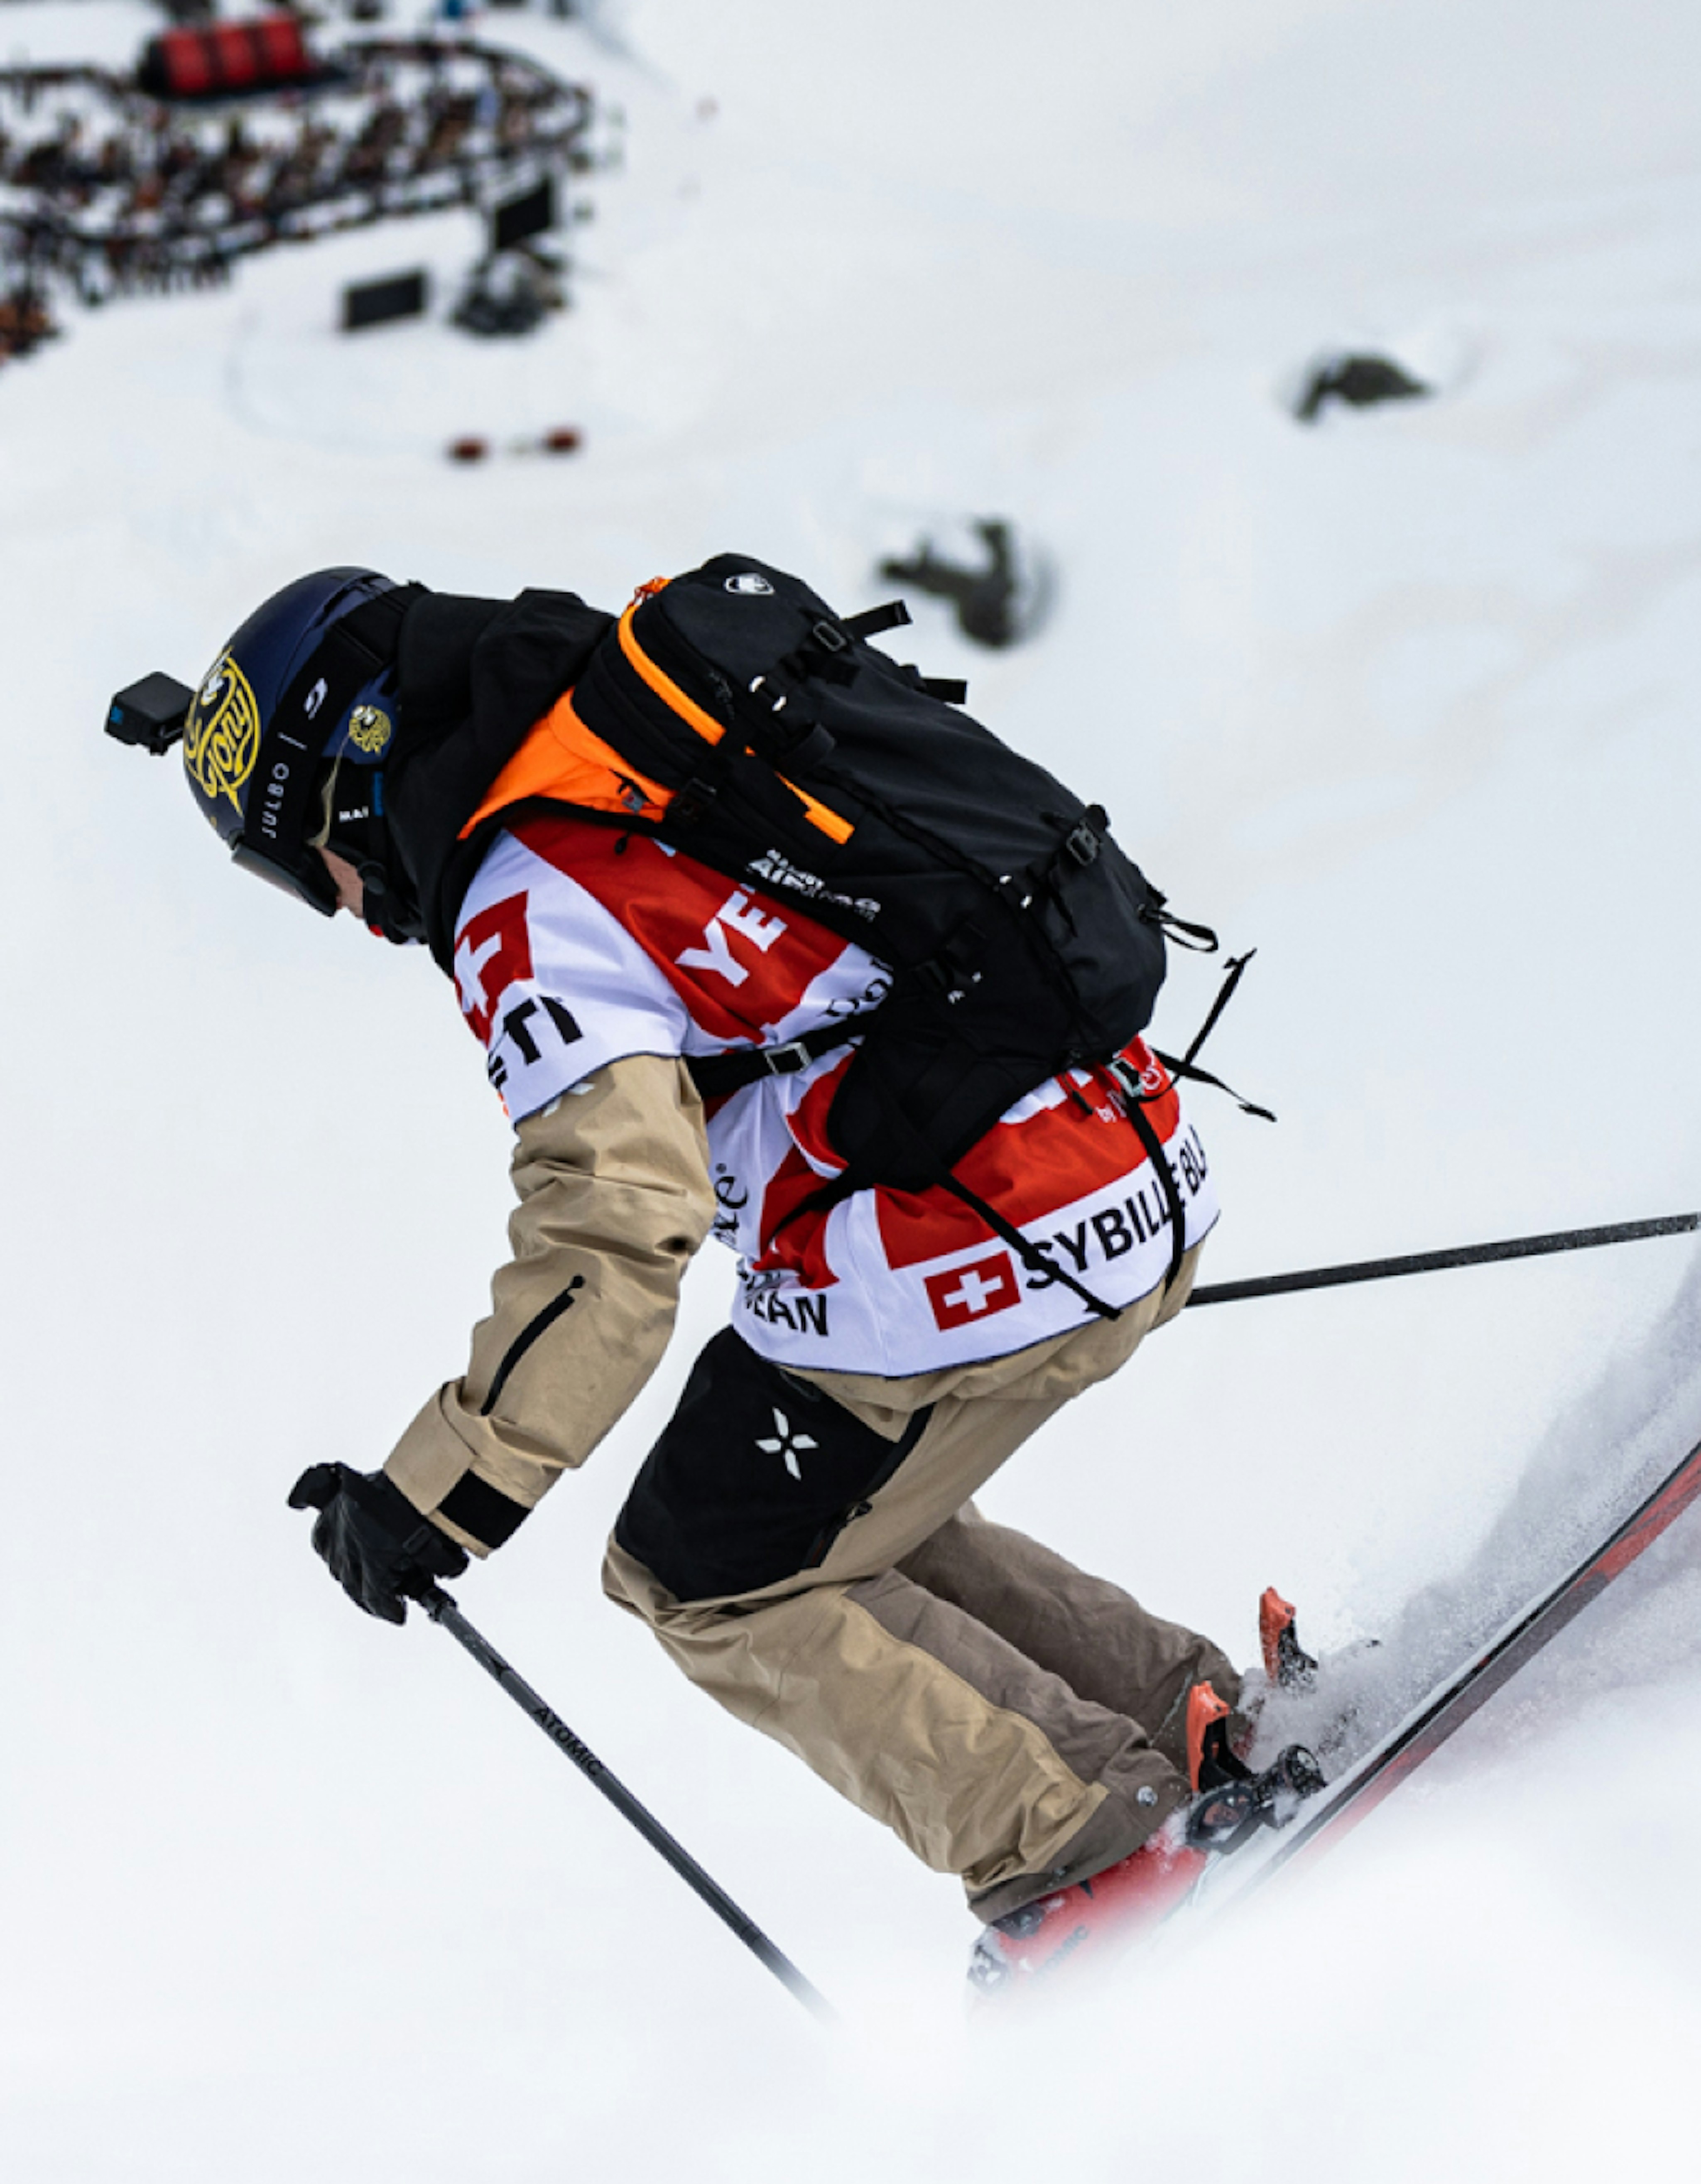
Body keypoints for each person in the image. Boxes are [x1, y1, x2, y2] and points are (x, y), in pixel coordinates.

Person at [157, 563, 1275, 1988]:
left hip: (980, 1224)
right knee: (806, 1514)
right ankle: (1182, 1719)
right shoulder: (638, 754)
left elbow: (617, 1227)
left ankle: (1082, 1848)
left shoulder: (521, 888)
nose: (351, 906)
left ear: (355, 778)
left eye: (304, 861)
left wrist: (430, 1499)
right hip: (1118, 1154)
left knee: (696, 1574)